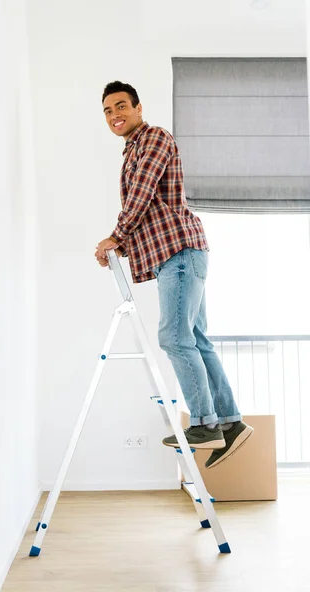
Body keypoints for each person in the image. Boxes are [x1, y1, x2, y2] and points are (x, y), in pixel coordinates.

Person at [95, 81, 253, 469]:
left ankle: (204, 424)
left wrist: (116, 235)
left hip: (180, 252)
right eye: (108, 111)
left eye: (121, 107)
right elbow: (153, 212)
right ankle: (230, 421)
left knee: (175, 337)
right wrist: (124, 246)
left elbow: (143, 194)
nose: (115, 115)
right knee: (196, 339)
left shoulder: (153, 139)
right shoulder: (132, 149)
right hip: (181, 252)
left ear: (137, 107)